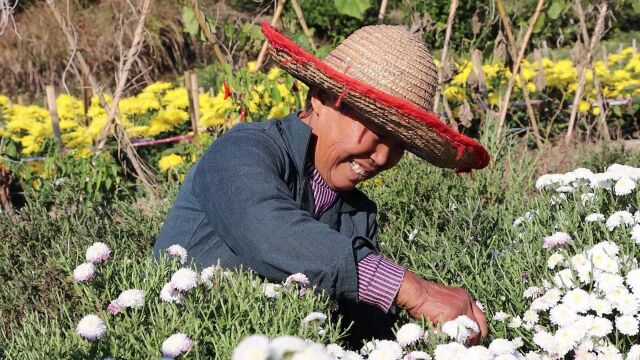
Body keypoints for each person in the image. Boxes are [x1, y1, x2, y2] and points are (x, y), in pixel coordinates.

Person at [153, 22, 491, 346]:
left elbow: (358, 327)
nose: (383, 156)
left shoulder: (355, 212)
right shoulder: (243, 150)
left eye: (400, 143)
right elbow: (269, 231)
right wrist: (415, 290)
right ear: (320, 98)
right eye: (375, 128)